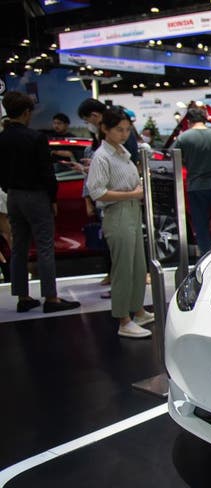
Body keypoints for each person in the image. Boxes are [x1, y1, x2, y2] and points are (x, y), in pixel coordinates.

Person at [0, 91, 81, 313]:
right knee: (45, 246)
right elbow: (47, 173)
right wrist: (52, 198)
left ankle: (23, 297)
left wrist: (9, 189)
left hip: (13, 196)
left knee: (18, 247)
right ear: (27, 112)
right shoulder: (36, 138)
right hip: (36, 196)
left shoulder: (2, 138)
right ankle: (51, 298)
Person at [84, 109, 154, 338]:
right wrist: (132, 194)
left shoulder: (121, 151)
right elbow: (97, 192)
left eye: (126, 130)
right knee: (123, 268)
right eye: (119, 130)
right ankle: (123, 320)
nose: (124, 134)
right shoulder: (102, 156)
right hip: (118, 214)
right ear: (105, 129)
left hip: (133, 212)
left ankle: (138, 310)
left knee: (137, 266)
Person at [174, 108, 211, 257]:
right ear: (205, 119)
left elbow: (175, 160)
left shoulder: (183, 138)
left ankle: (206, 257)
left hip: (195, 186)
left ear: (188, 121)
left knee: (200, 225)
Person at [78, 98, 140, 165]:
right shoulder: (100, 132)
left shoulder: (115, 126)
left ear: (94, 115)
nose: (87, 123)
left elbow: (128, 156)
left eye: (86, 120)